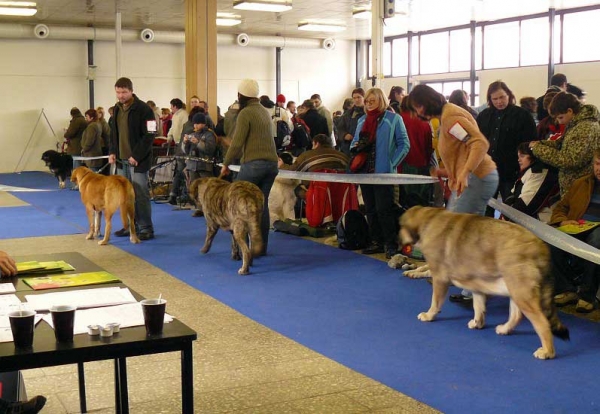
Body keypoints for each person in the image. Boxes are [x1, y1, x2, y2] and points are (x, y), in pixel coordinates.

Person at [408, 84, 498, 303]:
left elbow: (479, 143)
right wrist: (445, 172)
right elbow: (463, 150)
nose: (418, 111)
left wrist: (465, 172)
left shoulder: (451, 118)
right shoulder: (448, 117)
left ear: (428, 101)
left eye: (419, 106)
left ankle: (475, 288)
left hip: (476, 179)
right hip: (471, 180)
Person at [221, 79, 279, 256]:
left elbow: (237, 143)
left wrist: (225, 163)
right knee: (262, 206)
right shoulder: (264, 111)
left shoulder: (245, 113)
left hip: (254, 165)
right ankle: (261, 249)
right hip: (271, 165)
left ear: (240, 95)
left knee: (240, 206)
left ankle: (242, 249)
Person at [350, 87, 410, 259]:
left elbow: (404, 144)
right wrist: (355, 147)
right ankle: (376, 241)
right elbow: (354, 142)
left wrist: (392, 163)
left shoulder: (394, 119)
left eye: (372, 101)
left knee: (385, 209)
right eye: (367, 102)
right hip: (365, 172)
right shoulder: (362, 120)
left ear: (381, 101)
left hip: (384, 173)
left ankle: (390, 244)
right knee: (370, 209)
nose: (368, 105)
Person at [547, 149, 600, 313]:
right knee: (550, 239)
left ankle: (587, 295)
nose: (599, 169)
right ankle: (566, 289)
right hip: (577, 225)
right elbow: (560, 208)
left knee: (596, 240)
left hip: (597, 230)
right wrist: (563, 220)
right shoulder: (581, 183)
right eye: (598, 164)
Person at [476, 81, 537, 216]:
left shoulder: (522, 116)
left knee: (512, 211)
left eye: (502, 97)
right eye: (495, 99)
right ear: (490, 99)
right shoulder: (483, 116)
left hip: (512, 172)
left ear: (509, 95)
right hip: (488, 171)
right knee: (485, 209)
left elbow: (531, 144)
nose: (499, 102)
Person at [108, 77, 156, 241]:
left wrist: (136, 155)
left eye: (124, 92)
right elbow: (114, 134)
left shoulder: (145, 110)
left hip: (138, 161)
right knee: (124, 196)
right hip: (121, 161)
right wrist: (112, 151)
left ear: (131, 91)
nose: (120, 95)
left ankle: (146, 228)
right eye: (118, 92)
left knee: (140, 194)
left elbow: (150, 135)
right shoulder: (116, 109)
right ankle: (130, 226)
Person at [530, 91, 600, 197]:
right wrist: (541, 143)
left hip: (578, 188)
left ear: (570, 111)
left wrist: (538, 148)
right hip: (573, 186)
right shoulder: (576, 124)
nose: (559, 122)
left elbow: (569, 160)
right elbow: (561, 143)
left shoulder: (585, 127)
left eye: (560, 117)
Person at [504, 142, 558, 223]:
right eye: (518, 156)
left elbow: (524, 205)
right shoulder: (528, 171)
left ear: (533, 156)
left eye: (522, 156)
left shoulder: (537, 173)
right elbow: (512, 195)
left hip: (540, 223)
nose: (519, 159)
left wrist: (507, 216)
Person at [398, 96, 434, 207]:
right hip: (422, 165)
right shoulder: (424, 121)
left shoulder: (398, 119)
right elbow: (429, 147)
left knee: (405, 202)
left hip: (403, 165)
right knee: (422, 201)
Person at [280, 133, 349, 173]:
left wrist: (281, 165)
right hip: (340, 190)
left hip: (316, 190)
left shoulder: (307, 155)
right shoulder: (342, 155)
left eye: (313, 144)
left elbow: (294, 171)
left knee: (298, 189)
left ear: (317, 143)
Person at [336, 88, 365, 156]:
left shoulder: (368, 113)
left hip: (362, 147)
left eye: (359, 97)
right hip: (348, 147)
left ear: (364, 97)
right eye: (354, 98)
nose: (356, 100)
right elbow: (340, 128)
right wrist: (344, 135)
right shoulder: (348, 114)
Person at [64, 107, 88, 177]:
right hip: (81, 145)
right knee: (80, 165)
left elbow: (70, 133)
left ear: (72, 114)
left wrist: (66, 134)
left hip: (75, 146)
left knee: (76, 165)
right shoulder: (83, 120)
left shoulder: (76, 121)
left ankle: (76, 183)